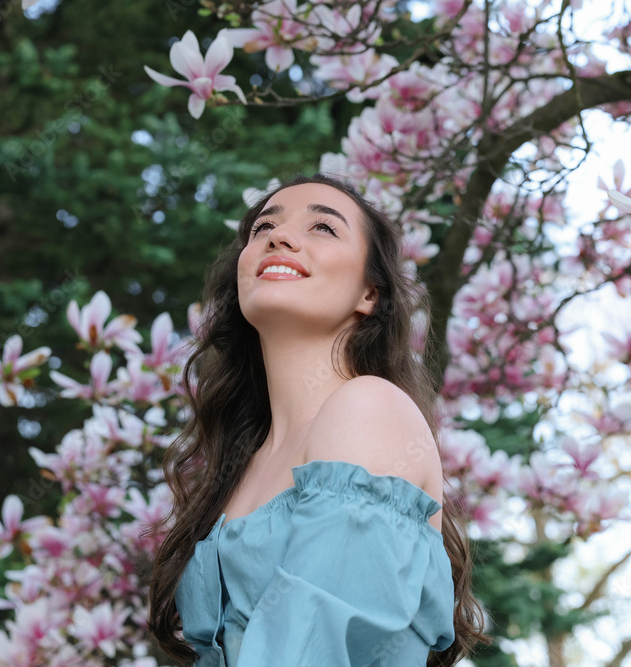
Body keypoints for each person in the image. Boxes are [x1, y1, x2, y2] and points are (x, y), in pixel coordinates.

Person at [144, 174, 487, 666]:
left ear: (369, 292)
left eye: (323, 227)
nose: (277, 237)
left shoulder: (368, 408)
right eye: (263, 227)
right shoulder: (241, 461)